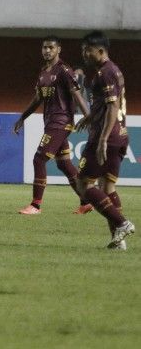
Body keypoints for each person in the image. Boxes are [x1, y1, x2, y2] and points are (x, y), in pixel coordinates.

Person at [12, 36, 92, 215]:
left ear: (58, 50)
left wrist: (89, 116)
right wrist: (22, 117)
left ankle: (35, 205)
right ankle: (86, 202)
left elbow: (77, 93)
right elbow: (38, 98)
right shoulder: (43, 72)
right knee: (64, 164)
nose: (47, 51)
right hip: (50, 122)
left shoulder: (64, 70)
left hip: (60, 122)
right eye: (44, 48)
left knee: (39, 159)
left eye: (51, 47)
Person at [75, 31, 134, 250]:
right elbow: (108, 103)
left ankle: (122, 222)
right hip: (120, 136)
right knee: (107, 187)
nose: (84, 54)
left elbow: (113, 107)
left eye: (87, 50)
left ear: (100, 51)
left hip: (106, 137)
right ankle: (119, 241)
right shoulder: (114, 70)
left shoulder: (104, 73)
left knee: (84, 184)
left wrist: (102, 139)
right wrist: (90, 117)